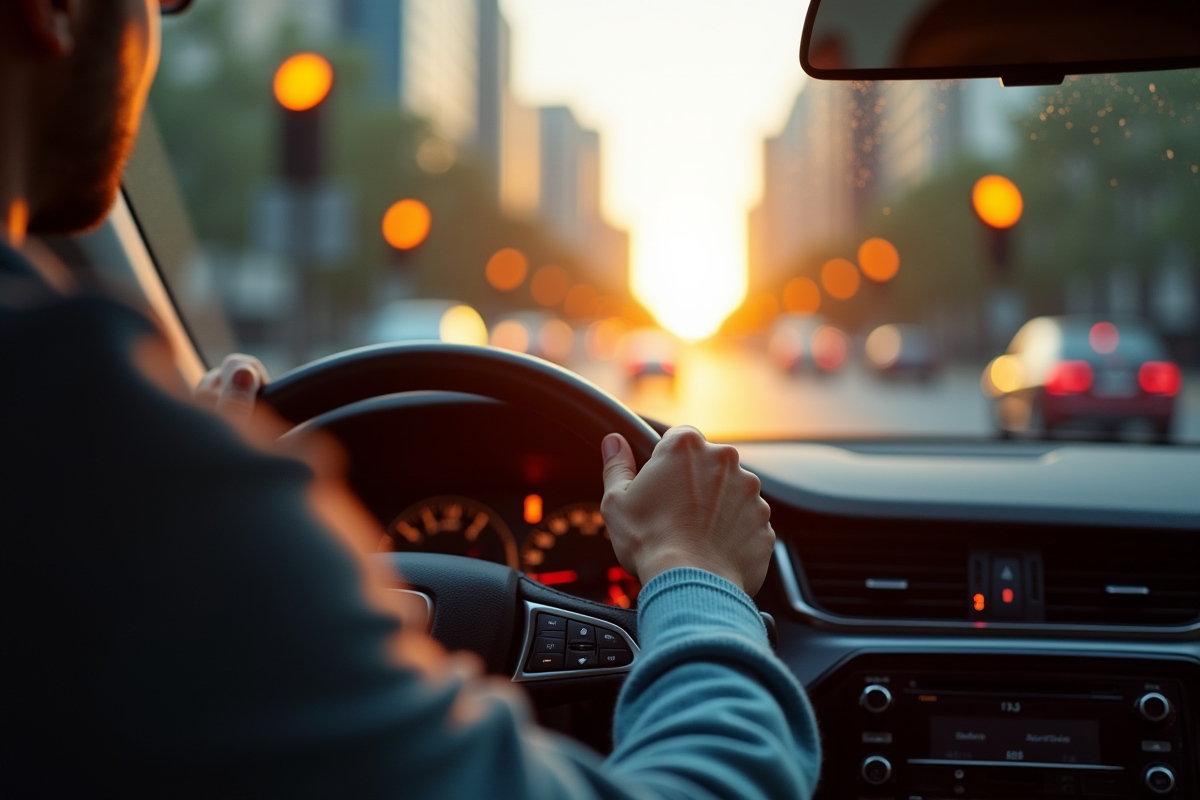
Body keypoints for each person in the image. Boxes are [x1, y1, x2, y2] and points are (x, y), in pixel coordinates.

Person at [0, 1, 821, 797]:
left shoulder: (98, 469)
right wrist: (695, 571)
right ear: (57, 8)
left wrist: (182, 489)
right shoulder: (101, 462)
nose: (155, 21)